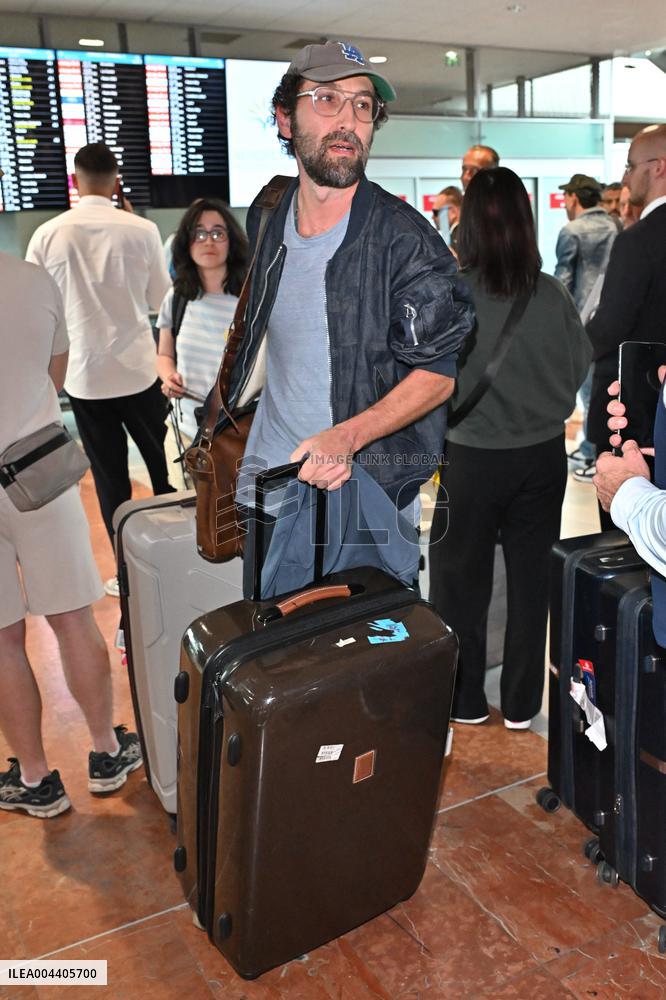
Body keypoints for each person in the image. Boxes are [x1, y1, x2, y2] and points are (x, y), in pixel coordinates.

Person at [227, 40, 474, 593]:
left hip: (361, 495)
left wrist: (347, 436)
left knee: (364, 668)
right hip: (268, 482)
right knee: (272, 664)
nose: (349, 120)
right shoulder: (268, 214)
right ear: (285, 119)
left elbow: (437, 373)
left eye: (363, 106)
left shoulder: (406, 241)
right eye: (328, 100)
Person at [428, 167, 591, 730]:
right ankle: (523, 703)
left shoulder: (452, 294)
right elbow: (578, 371)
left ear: (466, 223)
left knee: (458, 581)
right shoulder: (551, 294)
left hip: (470, 458)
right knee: (531, 582)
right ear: (526, 221)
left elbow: (428, 379)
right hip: (543, 458)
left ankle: (464, 699)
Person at [0, 250, 142, 819]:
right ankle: (107, 752)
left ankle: (34, 778)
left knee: (3, 637)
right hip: (36, 468)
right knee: (72, 617)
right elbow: (52, 376)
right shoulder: (32, 278)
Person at [26, 142, 174, 595]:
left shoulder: (48, 234)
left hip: (85, 378)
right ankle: (175, 555)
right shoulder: (141, 229)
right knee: (160, 471)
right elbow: (160, 301)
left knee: (111, 480)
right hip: (139, 370)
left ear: (74, 180)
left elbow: (37, 305)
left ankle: (124, 575)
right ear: (115, 181)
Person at [586, 124, 666, 529]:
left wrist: (576, 346)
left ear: (658, 168)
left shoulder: (639, 240)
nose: (625, 177)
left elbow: (611, 327)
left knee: (625, 537)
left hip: (632, 415)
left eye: (632, 166)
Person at [156, 198, 249, 441]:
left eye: (217, 233)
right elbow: (164, 355)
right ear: (186, 243)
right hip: (185, 429)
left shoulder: (250, 300)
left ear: (232, 241)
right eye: (199, 234)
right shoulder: (178, 297)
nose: (208, 241)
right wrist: (168, 377)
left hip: (238, 431)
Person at [554, 173, 618, 478]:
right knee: (608, 389)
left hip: (581, 321)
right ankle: (599, 449)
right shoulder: (615, 225)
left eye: (566, 196)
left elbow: (563, 283)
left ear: (574, 198)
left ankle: (593, 454)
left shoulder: (572, 230)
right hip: (615, 317)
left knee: (589, 391)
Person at [431, 185, 463, 252]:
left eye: (436, 212)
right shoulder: (465, 234)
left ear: (453, 212)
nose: (432, 217)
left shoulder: (459, 237)